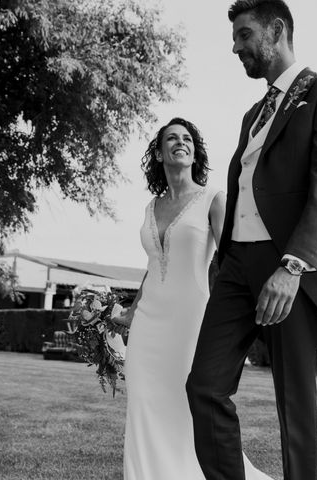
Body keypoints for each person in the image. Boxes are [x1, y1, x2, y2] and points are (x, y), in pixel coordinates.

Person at [185, 1, 317, 480]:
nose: (236, 47)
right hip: (238, 265)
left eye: (244, 35)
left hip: (289, 266)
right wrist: (227, 260)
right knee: (205, 386)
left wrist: (294, 265)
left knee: (294, 403)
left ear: (276, 30)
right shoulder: (252, 115)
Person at [114, 117, 272, 480]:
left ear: (195, 152)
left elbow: (232, 260)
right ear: (159, 152)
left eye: (187, 138)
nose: (180, 142)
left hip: (192, 318)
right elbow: (154, 264)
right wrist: (132, 312)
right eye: (171, 138)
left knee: (186, 403)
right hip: (149, 322)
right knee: (143, 402)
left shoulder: (213, 199)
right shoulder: (149, 207)